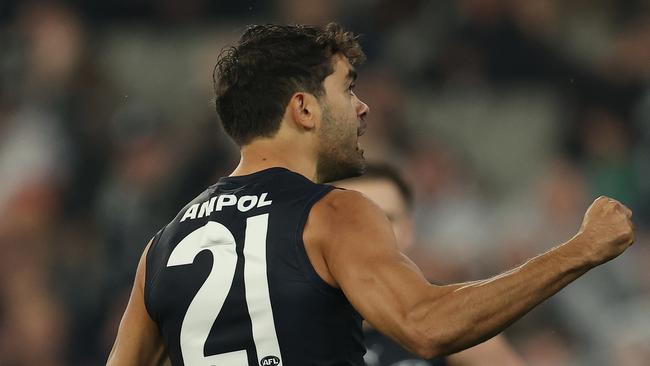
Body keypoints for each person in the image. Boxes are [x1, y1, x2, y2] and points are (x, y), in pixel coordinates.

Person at [107, 23, 635, 366]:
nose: (362, 108)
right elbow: (427, 325)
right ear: (304, 109)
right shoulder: (332, 212)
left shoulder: (164, 246)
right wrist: (580, 249)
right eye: (347, 88)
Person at [335, 163, 525, 366]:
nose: (370, 231)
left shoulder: (451, 316)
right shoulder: (299, 321)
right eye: (352, 218)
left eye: (385, 218)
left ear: (408, 230)